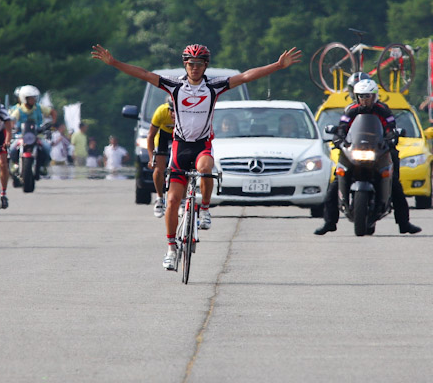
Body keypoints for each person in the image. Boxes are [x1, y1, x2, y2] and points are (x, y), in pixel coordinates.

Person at [92, 42, 302, 270]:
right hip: (180, 148)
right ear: (185, 64)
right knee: (172, 201)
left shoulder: (213, 87)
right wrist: (113, 63)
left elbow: (245, 77)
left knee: (205, 168)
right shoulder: (174, 86)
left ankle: (205, 210)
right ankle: (171, 249)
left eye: (199, 64)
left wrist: (278, 66)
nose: (194, 68)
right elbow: (143, 74)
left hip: (202, 145)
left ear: (205, 66)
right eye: (191, 64)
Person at [314, 79, 421, 235]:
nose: (365, 99)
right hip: (355, 151)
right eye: (361, 96)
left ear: (374, 96)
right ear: (357, 97)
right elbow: (342, 128)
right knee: (335, 184)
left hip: (379, 151)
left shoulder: (383, 110)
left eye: (368, 96)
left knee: (395, 185)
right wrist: (339, 138)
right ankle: (329, 222)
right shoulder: (351, 110)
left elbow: (391, 128)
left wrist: (392, 137)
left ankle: (404, 224)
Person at [147, 99, 175, 218]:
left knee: (182, 166)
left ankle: (183, 200)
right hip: (163, 136)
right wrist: (151, 158)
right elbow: (150, 136)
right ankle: (159, 198)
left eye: (176, 111)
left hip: (178, 136)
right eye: (171, 111)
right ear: (168, 109)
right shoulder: (161, 112)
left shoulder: (184, 114)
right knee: (159, 168)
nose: (173, 114)